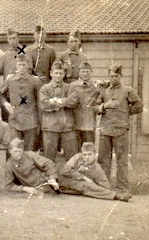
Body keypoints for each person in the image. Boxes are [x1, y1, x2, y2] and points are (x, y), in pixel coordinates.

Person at [95, 63, 143, 195]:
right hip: (105, 129)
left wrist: (125, 112)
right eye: (111, 76)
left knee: (122, 161)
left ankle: (122, 189)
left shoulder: (128, 90)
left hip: (121, 130)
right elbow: (95, 107)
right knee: (104, 160)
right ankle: (104, 188)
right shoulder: (103, 90)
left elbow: (138, 105)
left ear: (121, 76)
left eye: (116, 76)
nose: (113, 79)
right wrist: (105, 106)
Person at [59, 142, 130, 201]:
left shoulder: (97, 169)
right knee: (86, 185)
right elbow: (65, 171)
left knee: (87, 186)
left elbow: (105, 186)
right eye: (84, 154)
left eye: (89, 154)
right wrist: (84, 178)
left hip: (79, 189)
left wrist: (93, 185)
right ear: (81, 154)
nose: (87, 157)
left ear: (94, 154)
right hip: (66, 183)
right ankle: (116, 195)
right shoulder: (77, 158)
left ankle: (114, 195)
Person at [39, 61, 78, 161]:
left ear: (64, 74)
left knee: (72, 158)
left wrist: (56, 101)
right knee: (49, 158)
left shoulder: (69, 87)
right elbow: (44, 104)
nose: (58, 76)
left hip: (67, 127)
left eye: (60, 73)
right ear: (51, 73)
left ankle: (71, 176)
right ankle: (51, 177)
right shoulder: (45, 88)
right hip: (50, 127)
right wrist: (64, 102)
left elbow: (73, 101)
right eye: (56, 73)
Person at [2, 54, 41, 151]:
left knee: (29, 151)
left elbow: (40, 102)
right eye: (19, 65)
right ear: (16, 65)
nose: (22, 68)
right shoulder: (10, 80)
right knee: (15, 149)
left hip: (31, 120)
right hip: (15, 119)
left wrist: (39, 121)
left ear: (28, 65)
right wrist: (5, 103)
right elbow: (0, 94)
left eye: (24, 65)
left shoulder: (35, 81)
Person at [69, 61, 98, 150]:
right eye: (83, 71)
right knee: (76, 150)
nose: (85, 74)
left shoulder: (96, 85)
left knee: (89, 149)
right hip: (75, 123)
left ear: (91, 72)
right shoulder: (72, 86)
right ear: (79, 72)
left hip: (89, 124)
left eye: (87, 72)